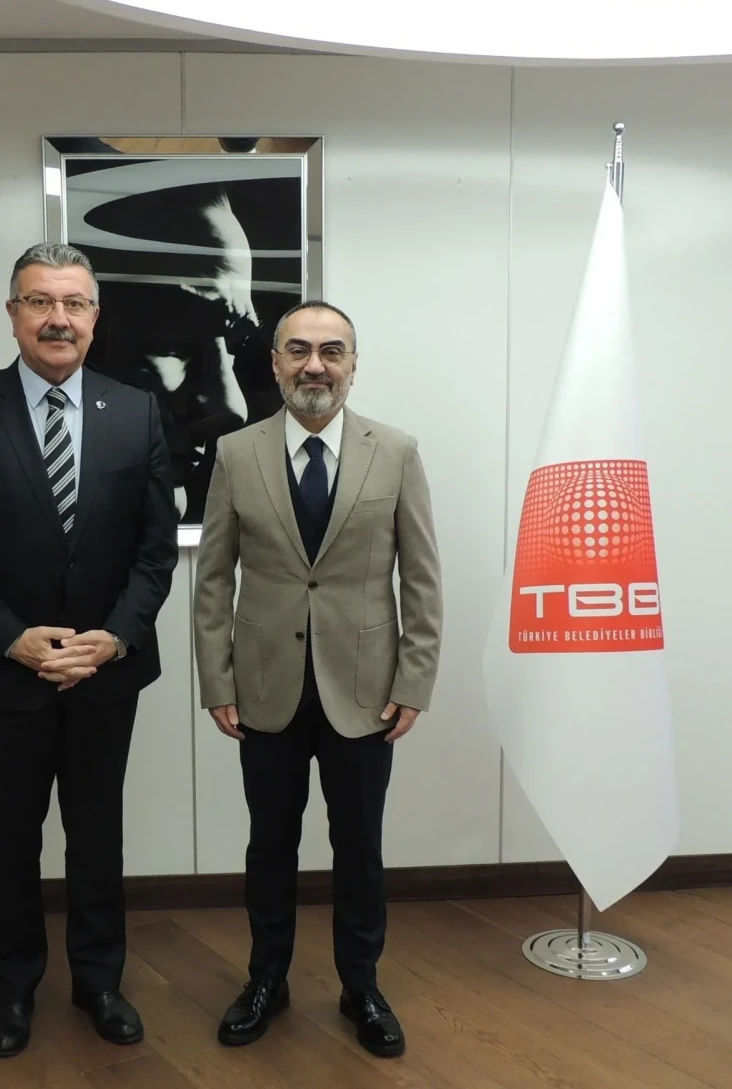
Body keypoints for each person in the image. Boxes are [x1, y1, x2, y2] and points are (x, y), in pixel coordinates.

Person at [0, 242, 179, 1058]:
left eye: (73, 303)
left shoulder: (136, 411)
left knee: (98, 837)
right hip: (6, 674)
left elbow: (156, 550)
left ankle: (100, 982)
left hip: (106, 670)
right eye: (40, 302)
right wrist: (13, 639)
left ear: (96, 317)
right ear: (13, 315)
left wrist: (117, 636)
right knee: (13, 839)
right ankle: (13, 990)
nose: (57, 318)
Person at [192, 300, 443, 1059]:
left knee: (358, 846)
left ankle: (361, 985)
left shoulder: (395, 451)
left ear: (353, 365)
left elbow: (421, 578)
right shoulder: (236, 453)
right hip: (264, 687)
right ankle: (265, 980)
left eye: (332, 351)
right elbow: (213, 580)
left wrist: (415, 680)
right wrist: (217, 681)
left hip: (365, 691)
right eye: (298, 350)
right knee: (269, 845)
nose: (315, 365)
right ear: (275, 363)